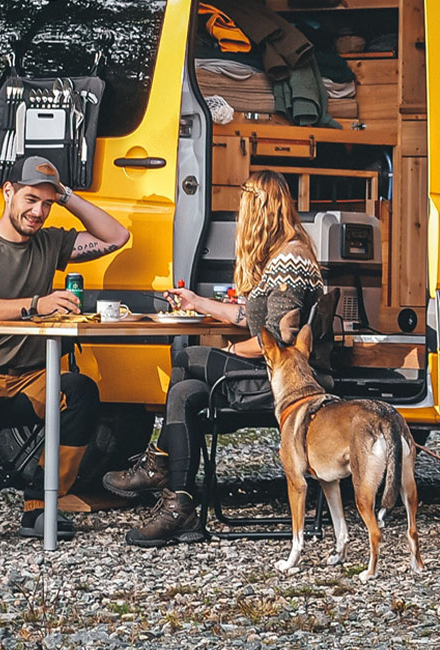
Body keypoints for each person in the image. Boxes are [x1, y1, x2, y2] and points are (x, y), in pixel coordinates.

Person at [102, 170, 324, 546]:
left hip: (273, 383)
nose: (241, 216)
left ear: (260, 209)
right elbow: (249, 318)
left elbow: (282, 338)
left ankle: (159, 465)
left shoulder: (289, 259)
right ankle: (180, 506)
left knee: (188, 356)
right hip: (265, 374)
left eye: (245, 206)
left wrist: (229, 352)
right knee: (186, 392)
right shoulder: (287, 251)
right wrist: (197, 303)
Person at [0, 155, 130, 545]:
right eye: (30, 199)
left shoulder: (51, 242)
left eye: (46, 203)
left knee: (80, 391)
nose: (38, 211)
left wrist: (67, 197)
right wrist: (35, 304)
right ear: (7, 192)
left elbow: (116, 237)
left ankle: (41, 504)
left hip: (32, 378)